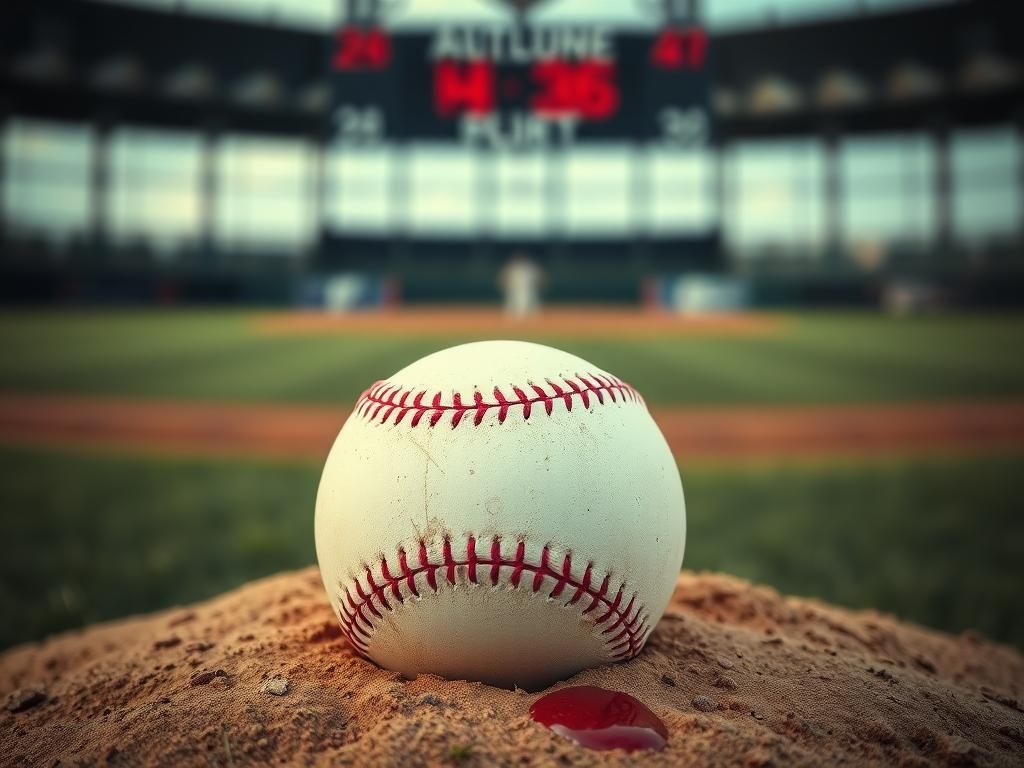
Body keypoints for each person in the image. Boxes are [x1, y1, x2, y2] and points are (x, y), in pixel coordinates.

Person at [499, 252, 544, 318]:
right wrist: (505, 284)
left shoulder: (530, 267)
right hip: (514, 288)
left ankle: (533, 318)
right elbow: (504, 277)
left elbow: (538, 276)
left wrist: (539, 284)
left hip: (527, 287)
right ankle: (511, 318)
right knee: (512, 304)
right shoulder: (512, 267)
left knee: (531, 303)